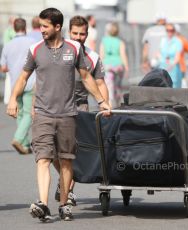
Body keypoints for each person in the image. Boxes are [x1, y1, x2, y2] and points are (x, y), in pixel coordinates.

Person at [6, 8, 110, 222]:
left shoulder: (73, 49)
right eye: (41, 26)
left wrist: (101, 101)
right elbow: (23, 78)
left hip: (68, 115)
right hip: (43, 114)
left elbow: (87, 77)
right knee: (43, 159)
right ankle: (43, 204)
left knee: (65, 161)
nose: (41, 30)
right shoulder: (35, 49)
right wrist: (13, 99)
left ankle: (64, 204)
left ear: (57, 27)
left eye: (45, 26)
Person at [53, 15, 109, 207]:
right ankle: (64, 178)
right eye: (74, 33)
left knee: (71, 152)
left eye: (82, 34)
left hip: (79, 107)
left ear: (87, 34)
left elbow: (100, 83)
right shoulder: (57, 51)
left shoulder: (92, 57)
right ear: (69, 32)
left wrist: (105, 105)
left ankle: (67, 189)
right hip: (55, 106)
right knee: (52, 152)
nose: (78, 37)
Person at [0, 18, 36, 155]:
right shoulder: (32, 43)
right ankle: (18, 138)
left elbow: (3, 68)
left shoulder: (8, 45)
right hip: (31, 81)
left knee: (19, 113)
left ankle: (25, 145)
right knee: (28, 113)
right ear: (25, 28)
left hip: (15, 82)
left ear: (14, 29)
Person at [100, 22, 129, 107]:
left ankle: (110, 104)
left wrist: (100, 67)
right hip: (118, 66)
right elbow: (123, 55)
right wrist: (127, 67)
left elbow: (102, 55)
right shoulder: (120, 42)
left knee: (109, 86)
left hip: (108, 66)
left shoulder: (104, 41)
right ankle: (118, 103)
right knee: (118, 86)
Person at [158, 23, 182, 88]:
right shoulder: (162, 40)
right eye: (167, 30)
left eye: (171, 30)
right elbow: (158, 53)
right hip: (162, 68)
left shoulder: (177, 42)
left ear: (174, 31)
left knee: (173, 88)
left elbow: (177, 57)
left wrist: (171, 65)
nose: (169, 32)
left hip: (173, 69)